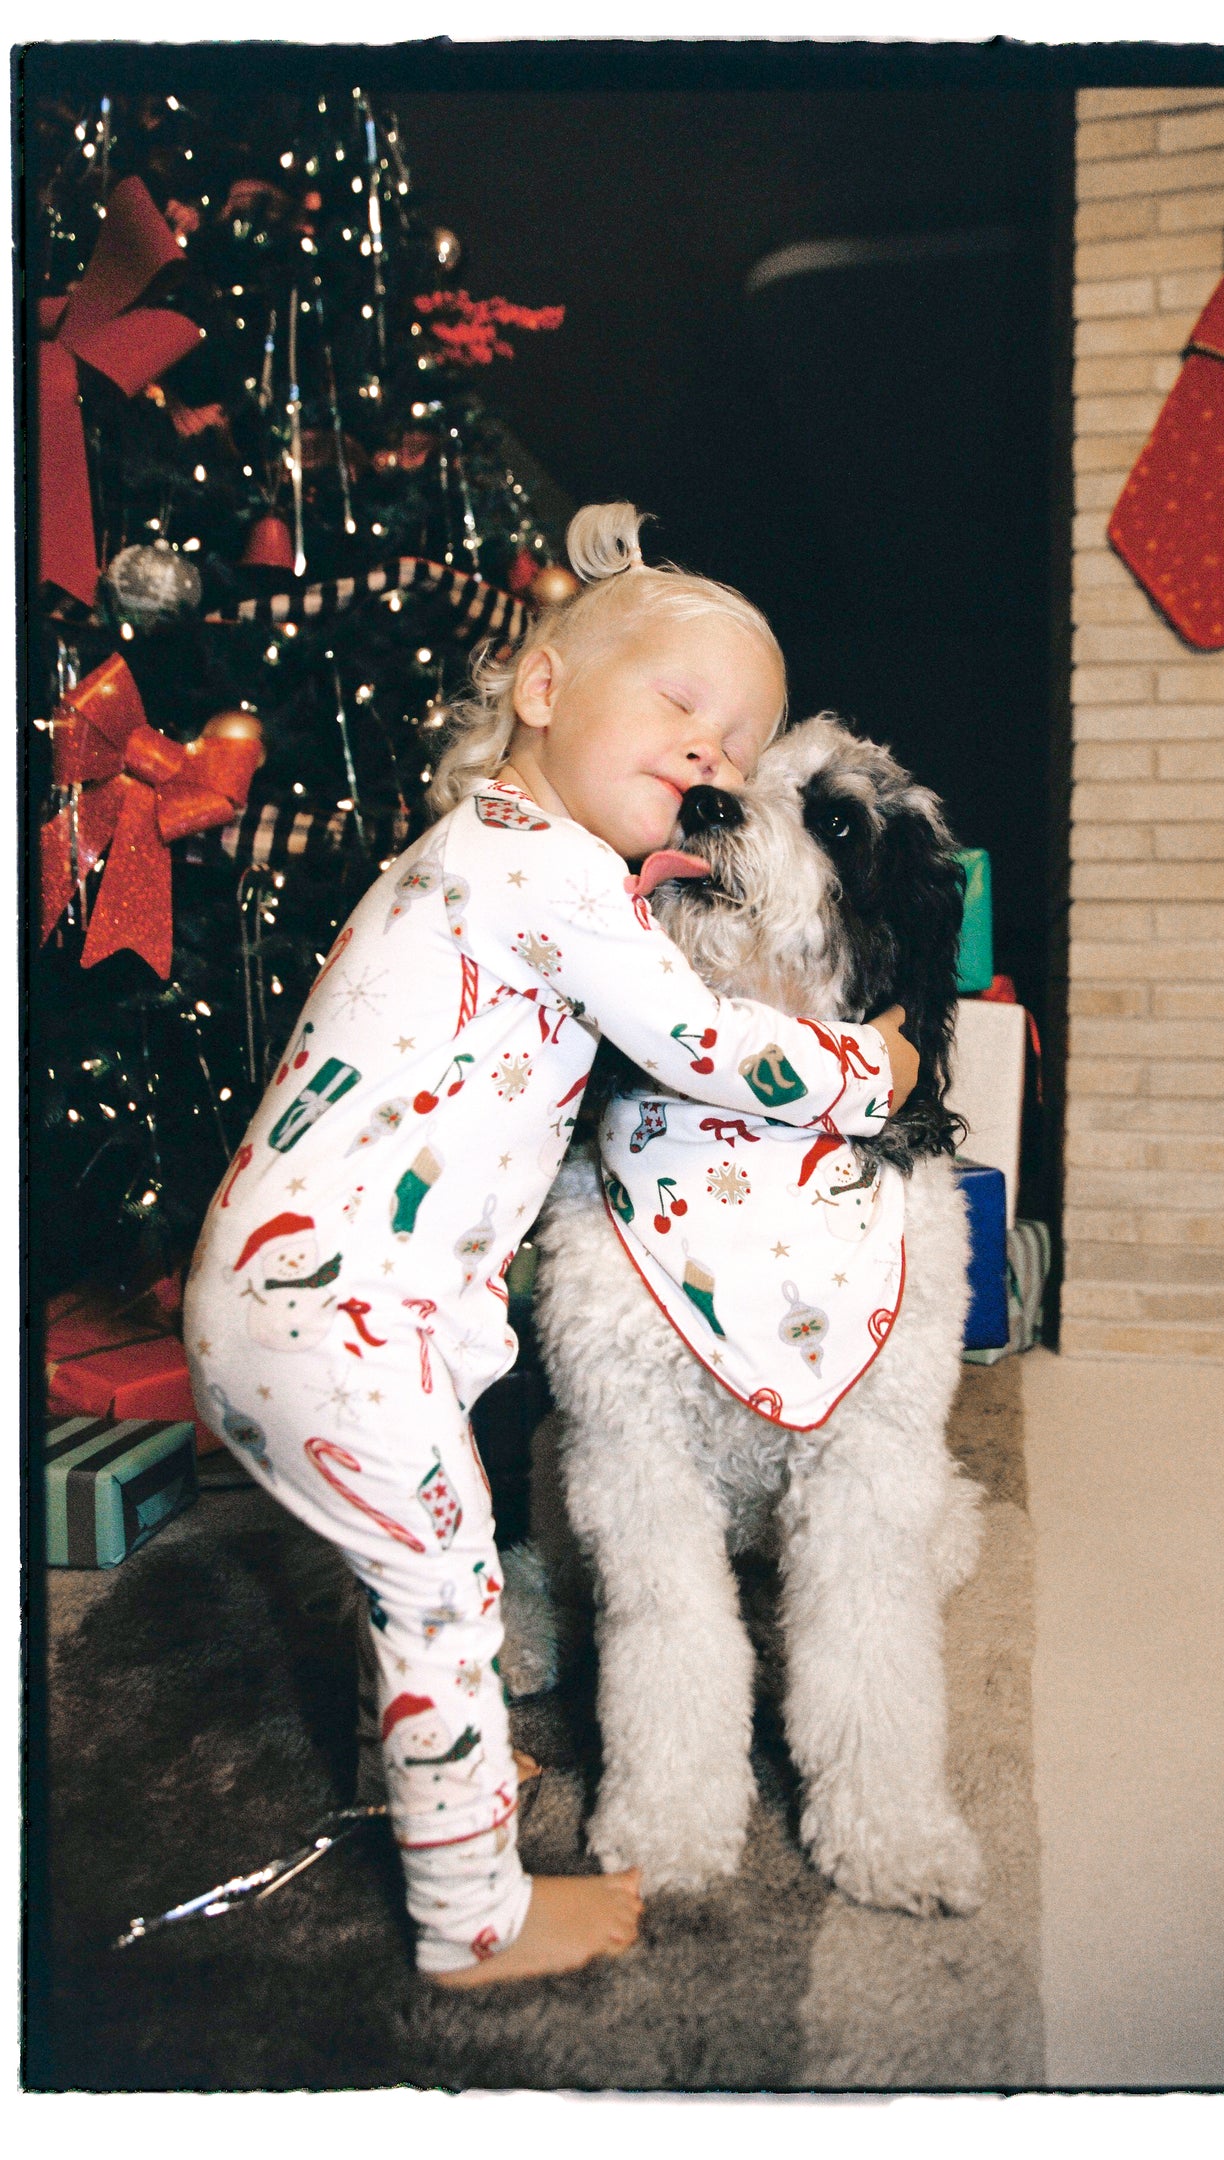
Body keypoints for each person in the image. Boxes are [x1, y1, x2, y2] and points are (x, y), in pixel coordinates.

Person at [183, 503, 920, 1988]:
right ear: (539, 688)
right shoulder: (548, 877)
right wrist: (872, 1073)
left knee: (409, 1579)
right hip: (340, 1316)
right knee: (450, 1596)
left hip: (310, 1304)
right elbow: (715, 1047)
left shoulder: (488, 851)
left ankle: (425, 1775)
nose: (709, 761)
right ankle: (476, 1921)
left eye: (735, 747)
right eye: (681, 708)